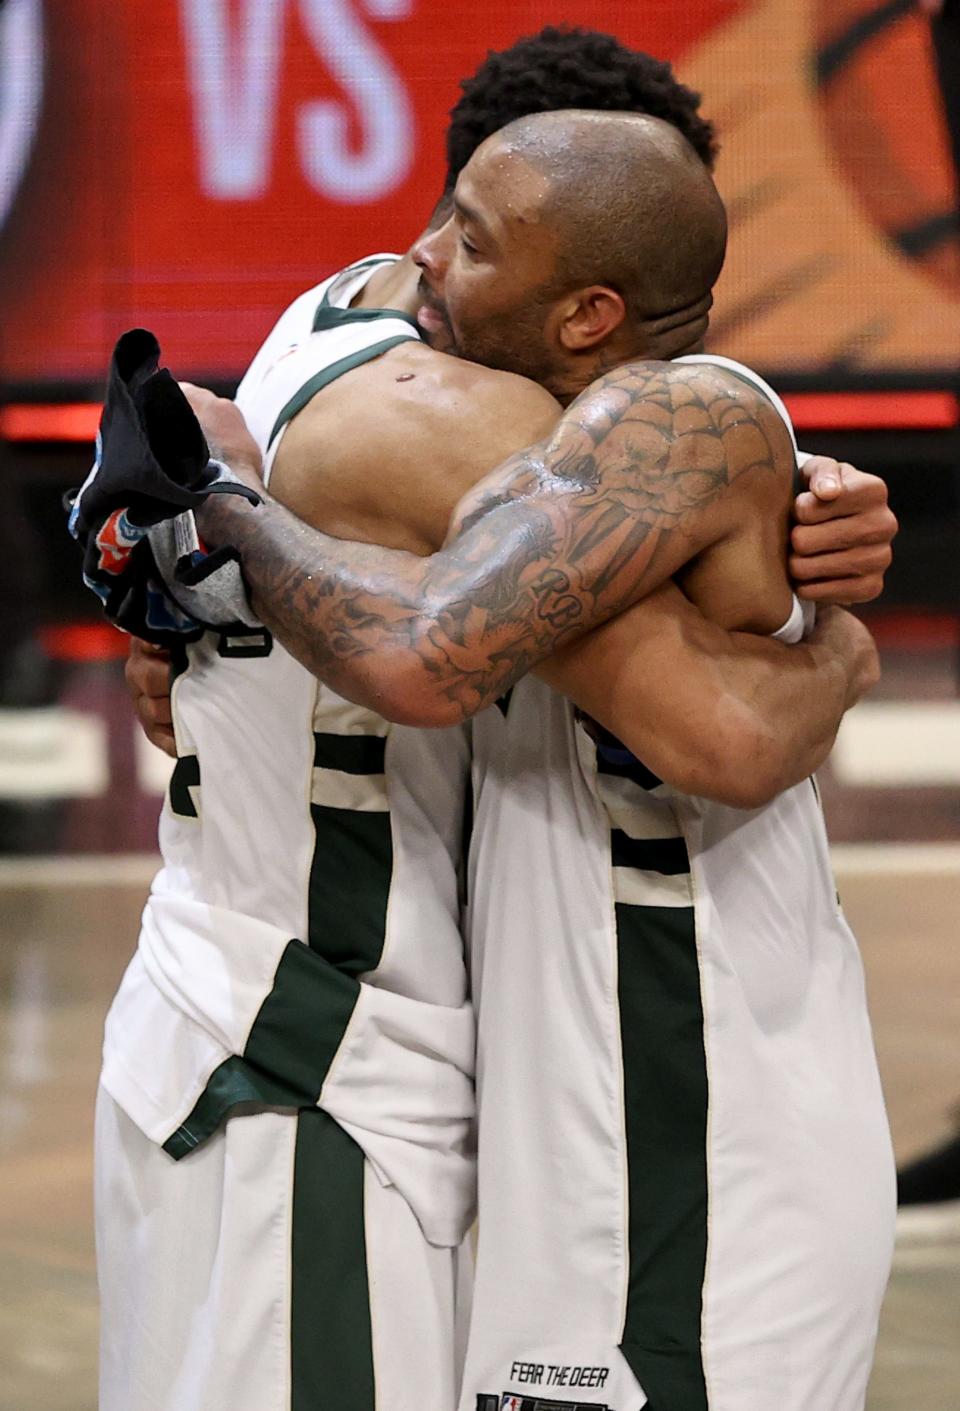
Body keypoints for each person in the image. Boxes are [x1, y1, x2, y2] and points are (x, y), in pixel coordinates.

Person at [110, 28, 896, 1411]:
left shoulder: (668, 436)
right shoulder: (455, 404)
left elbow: (496, 673)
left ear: (594, 302)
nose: (417, 261)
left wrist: (212, 508)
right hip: (400, 1080)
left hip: (692, 1124)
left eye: (472, 239)